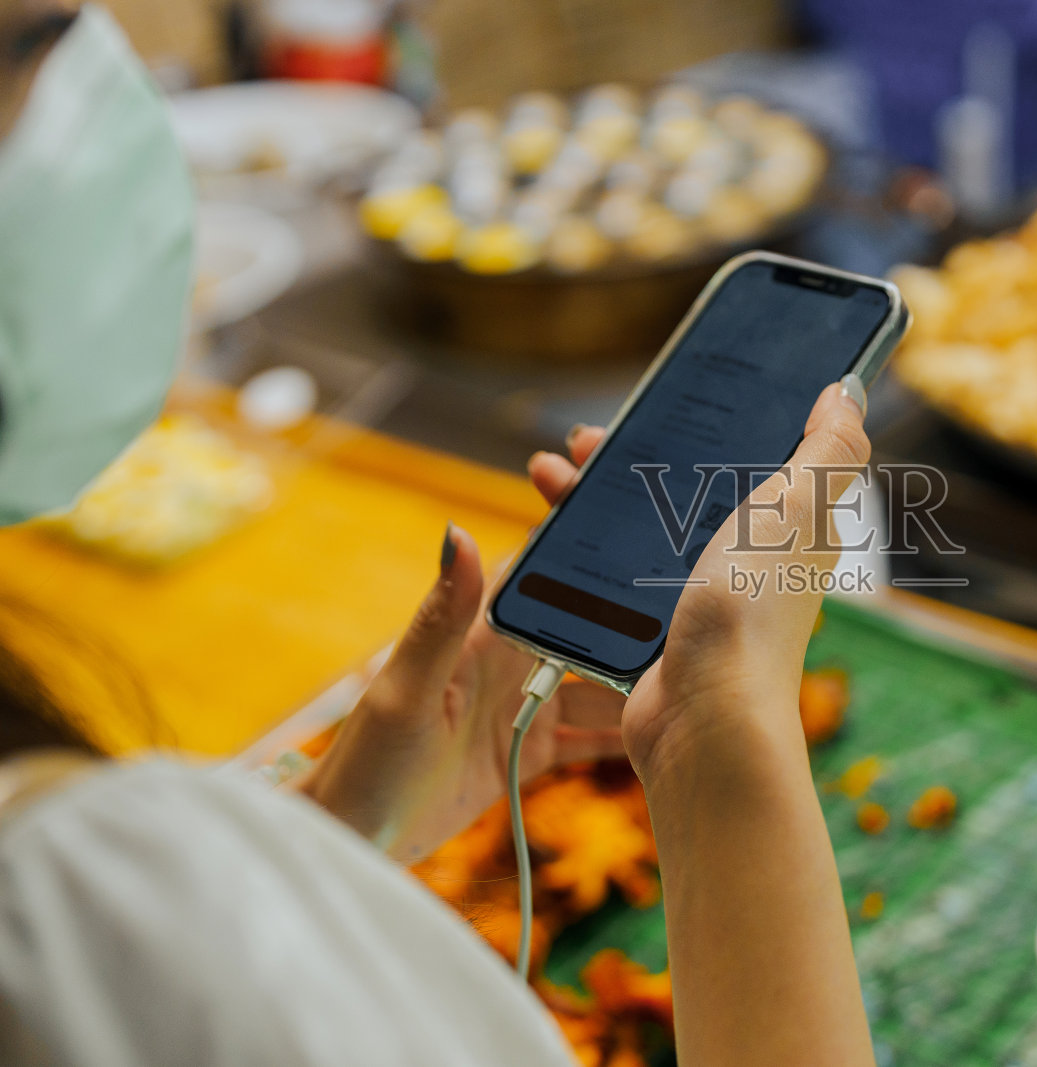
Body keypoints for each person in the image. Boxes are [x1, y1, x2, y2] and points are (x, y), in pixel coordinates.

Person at [0, 5, 876, 1066]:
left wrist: (329, 821)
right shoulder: (57, 883)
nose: (105, 93)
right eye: (36, 43)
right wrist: (723, 736)